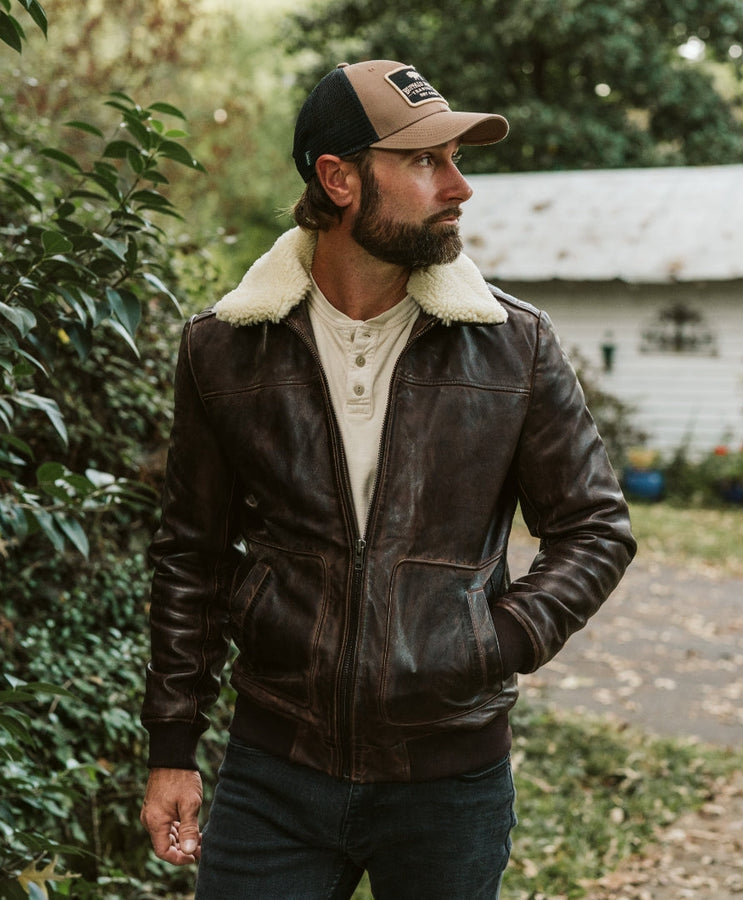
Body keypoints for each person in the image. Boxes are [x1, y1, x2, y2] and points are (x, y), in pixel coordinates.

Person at [139, 59, 636, 899]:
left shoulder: (513, 346)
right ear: (339, 179)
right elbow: (192, 554)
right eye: (425, 161)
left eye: (456, 160)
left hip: (451, 783)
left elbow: (595, 529)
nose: (459, 187)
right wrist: (172, 749)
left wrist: (494, 640)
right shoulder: (224, 349)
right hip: (274, 772)